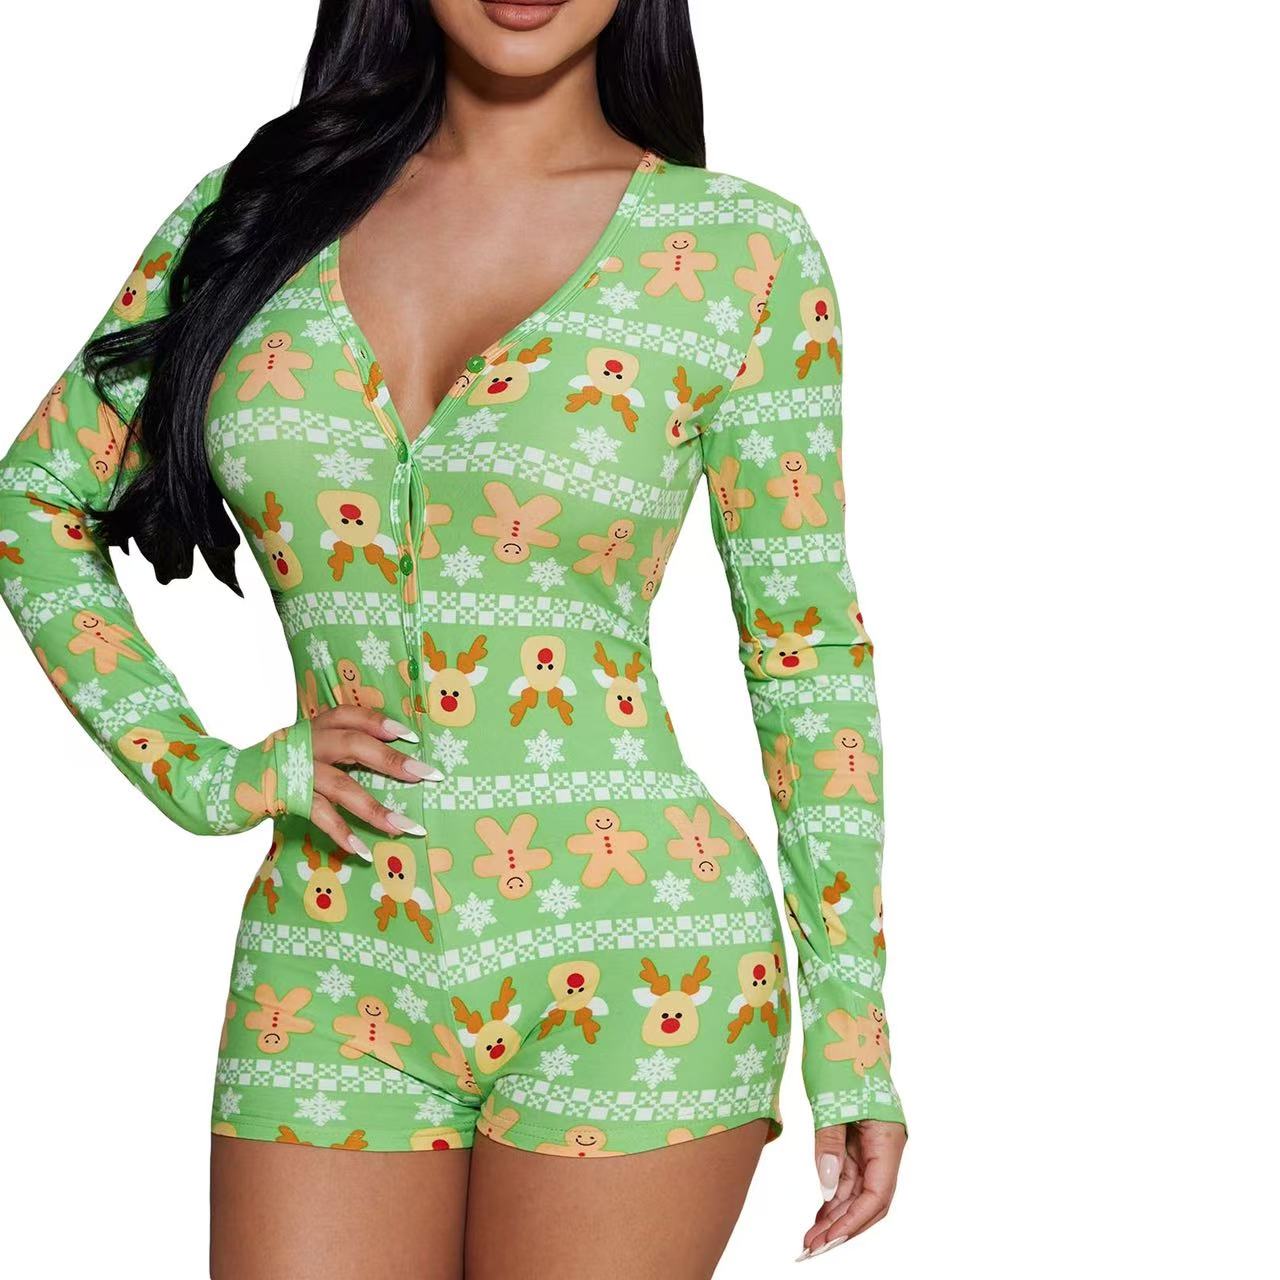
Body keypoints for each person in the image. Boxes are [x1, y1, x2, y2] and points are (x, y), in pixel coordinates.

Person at [0, 1, 905, 1274]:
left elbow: (803, 650)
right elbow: (36, 500)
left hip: (641, 964)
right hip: (326, 959)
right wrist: (201, 770)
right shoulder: (252, 217)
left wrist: (850, 1026)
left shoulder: (735, 251)